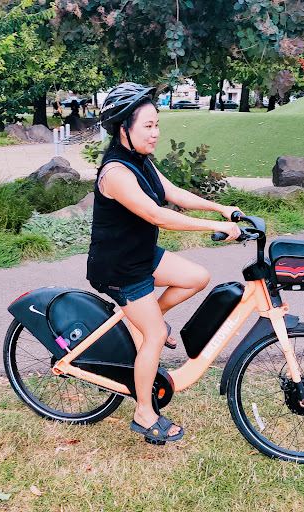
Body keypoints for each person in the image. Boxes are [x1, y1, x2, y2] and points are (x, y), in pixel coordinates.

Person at [86, 82, 242, 444]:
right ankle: (144, 414)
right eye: (148, 126)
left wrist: (221, 208)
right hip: (120, 268)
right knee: (155, 335)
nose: (155, 133)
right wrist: (214, 227)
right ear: (123, 128)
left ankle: (143, 320)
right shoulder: (116, 173)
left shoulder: (141, 162)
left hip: (141, 257)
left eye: (157, 125)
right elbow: (157, 215)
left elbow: (173, 194)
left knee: (196, 276)